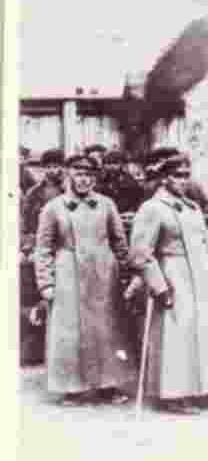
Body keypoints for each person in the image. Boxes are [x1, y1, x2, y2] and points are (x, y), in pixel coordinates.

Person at [129, 153, 208, 413]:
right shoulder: (152, 208)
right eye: (177, 175)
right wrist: (159, 285)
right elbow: (141, 253)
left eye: (186, 175)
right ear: (165, 178)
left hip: (201, 275)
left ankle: (202, 388)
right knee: (177, 334)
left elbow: (205, 243)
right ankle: (173, 394)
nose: (183, 181)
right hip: (173, 272)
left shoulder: (192, 206)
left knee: (203, 331)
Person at [34, 155, 136, 406]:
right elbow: (43, 247)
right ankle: (71, 388)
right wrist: (46, 282)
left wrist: (126, 272)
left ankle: (108, 385)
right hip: (68, 271)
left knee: (107, 329)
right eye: (79, 174)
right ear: (69, 176)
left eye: (89, 175)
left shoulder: (106, 205)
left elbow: (119, 242)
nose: (84, 180)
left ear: (95, 178)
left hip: (103, 273)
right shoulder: (54, 207)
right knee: (69, 331)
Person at [21, 148, 67, 259]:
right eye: (48, 167)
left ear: (62, 168)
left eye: (55, 167)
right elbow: (27, 219)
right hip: (41, 237)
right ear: (43, 168)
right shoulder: (34, 192)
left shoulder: (68, 190)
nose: (51, 170)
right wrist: (29, 241)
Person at [99, 149, 146, 216]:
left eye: (115, 163)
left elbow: (137, 200)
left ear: (121, 164)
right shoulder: (101, 180)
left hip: (125, 214)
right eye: (108, 163)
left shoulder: (129, 181)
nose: (111, 166)